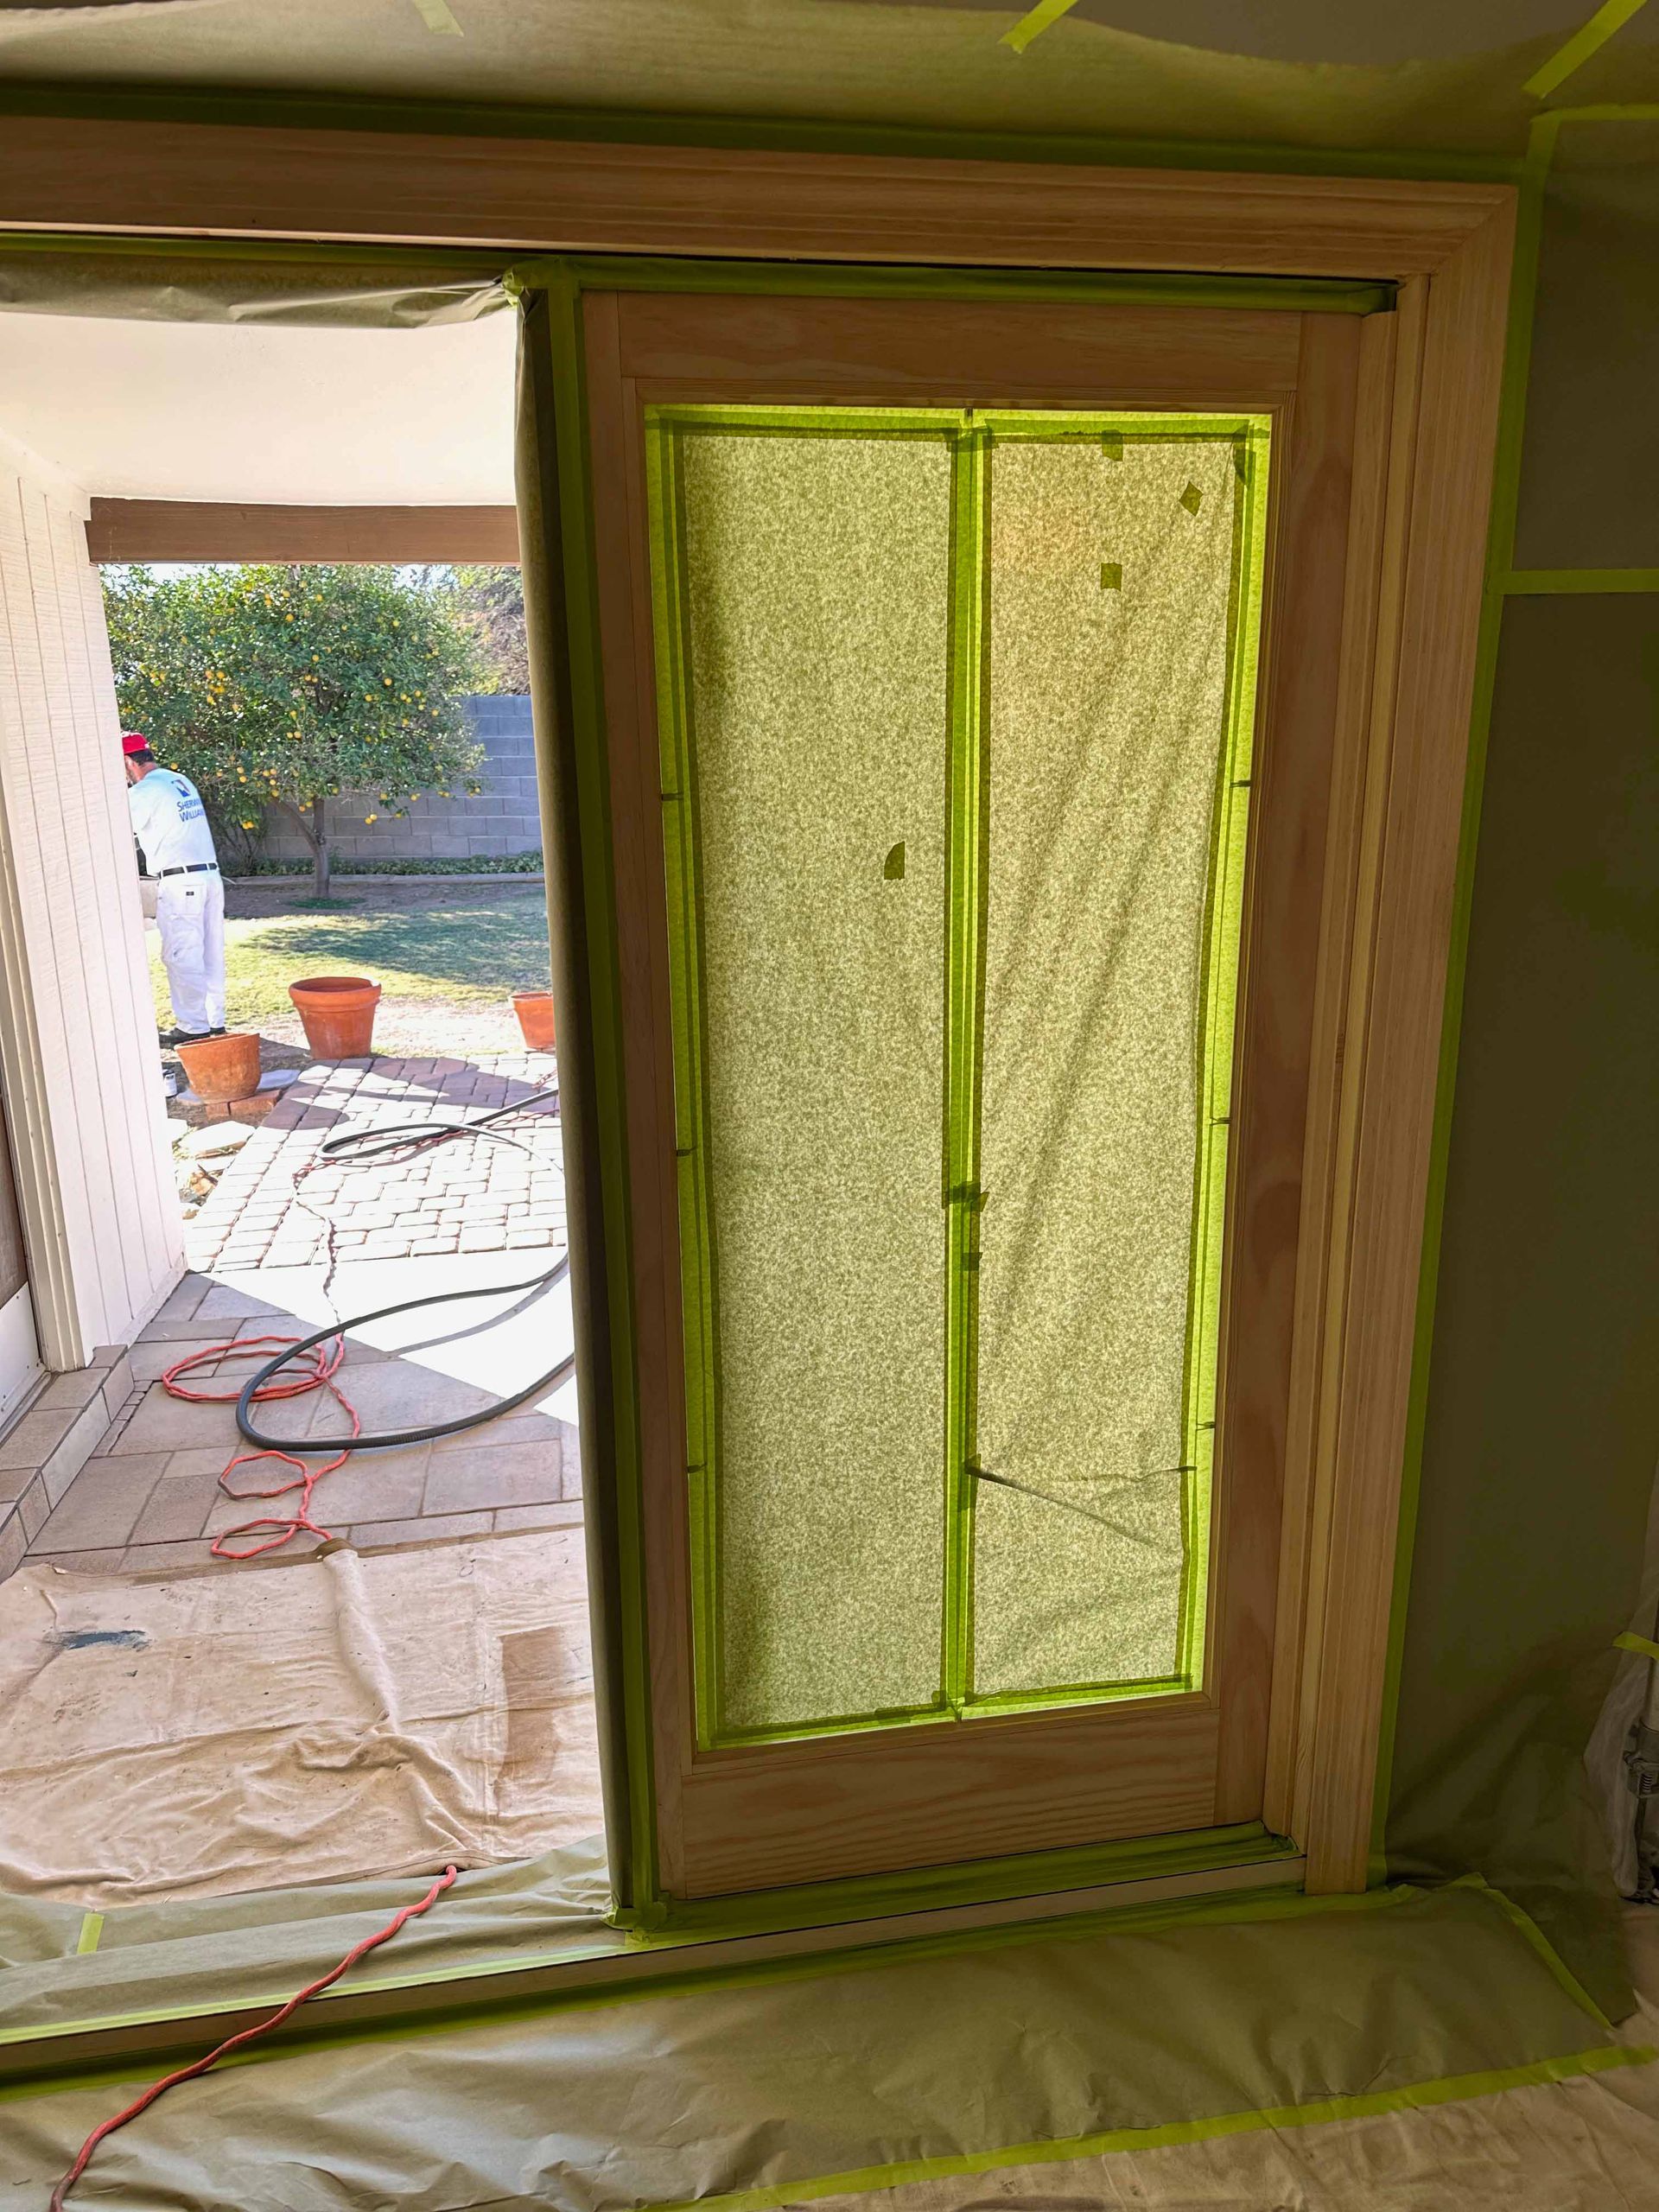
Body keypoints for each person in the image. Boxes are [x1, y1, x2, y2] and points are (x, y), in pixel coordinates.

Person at [121, 732, 226, 1046]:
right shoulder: (177, 780)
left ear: (128, 762)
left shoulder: (144, 791)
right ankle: (215, 1021)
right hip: (209, 877)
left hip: (181, 883)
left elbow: (119, 831)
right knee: (210, 953)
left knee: (182, 955)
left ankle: (193, 1027)